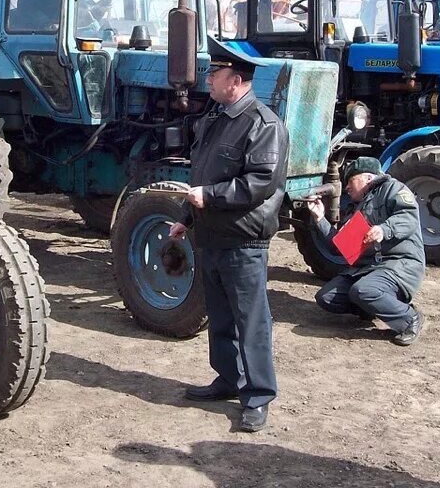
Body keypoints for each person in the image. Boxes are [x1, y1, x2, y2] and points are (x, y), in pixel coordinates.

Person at [169, 37, 289, 433]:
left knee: (251, 321)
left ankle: (258, 396)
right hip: (212, 236)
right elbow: (202, 175)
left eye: (214, 73)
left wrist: (209, 196)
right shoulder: (215, 120)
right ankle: (228, 379)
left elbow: (259, 184)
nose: (207, 79)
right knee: (220, 316)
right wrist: (187, 215)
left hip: (244, 240)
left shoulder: (263, 125)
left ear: (235, 80)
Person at [306, 156, 426, 346]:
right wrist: (320, 218)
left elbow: (408, 217)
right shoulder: (355, 208)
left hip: (399, 263)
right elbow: (339, 247)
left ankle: (409, 318)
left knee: (363, 290)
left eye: (350, 180)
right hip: (369, 268)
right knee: (327, 298)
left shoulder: (393, 189)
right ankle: (374, 307)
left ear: (367, 178)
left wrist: (384, 229)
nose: (346, 187)